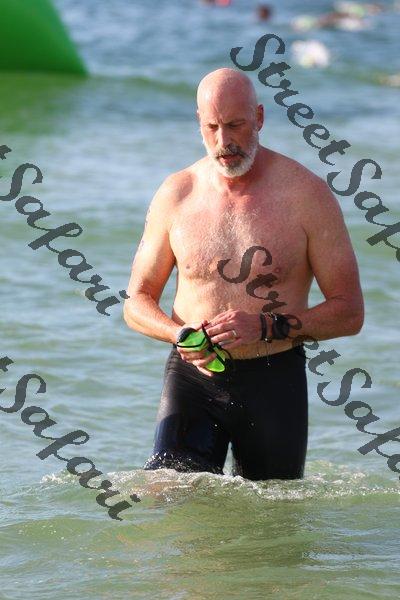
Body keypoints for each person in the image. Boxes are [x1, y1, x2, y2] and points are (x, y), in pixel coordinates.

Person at [123, 68, 364, 481]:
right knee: (167, 495)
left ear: (259, 118)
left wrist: (267, 326)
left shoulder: (306, 196)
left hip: (274, 379)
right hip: (192, 377)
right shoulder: (177, 194)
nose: (224, 141)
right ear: (199, 123)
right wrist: (178, 334)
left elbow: (350, 312)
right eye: (212, 127)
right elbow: (136, 302)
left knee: (272, 512)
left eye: (235, 125)